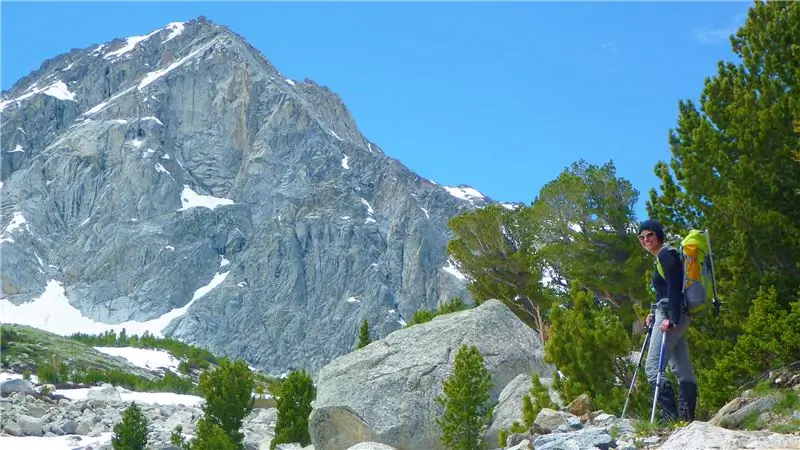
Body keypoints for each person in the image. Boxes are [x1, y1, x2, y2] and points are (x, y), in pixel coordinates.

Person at [638, 219, 697, 422]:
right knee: (682, 369)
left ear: (658, 236)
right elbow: (664, 291)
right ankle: (686, 418)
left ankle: (669, 418)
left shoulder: (665, 254)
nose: (646, 239)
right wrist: (653, 313)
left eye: (650, 235)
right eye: (642, 237)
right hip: (675, 315)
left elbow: (673, 288)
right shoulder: (663, 256)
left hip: (671, 316)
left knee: (653, 369)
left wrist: (671, 318)